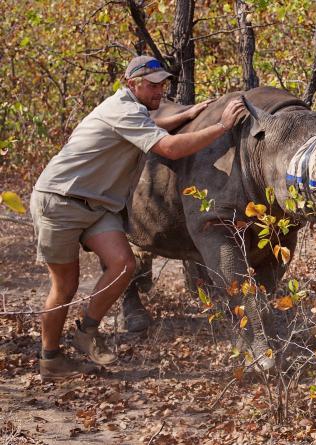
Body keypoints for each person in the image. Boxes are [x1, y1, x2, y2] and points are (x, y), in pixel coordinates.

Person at [30, 55, 245, 380]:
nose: (161, 90)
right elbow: (170, 148)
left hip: (97, 206)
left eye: (163, 84)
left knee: (123, 265)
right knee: (66, 285)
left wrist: (188, 114)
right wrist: (223, 125)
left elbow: (151, 127)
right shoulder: (123, 108)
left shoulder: (131, 110)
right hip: (59, 200)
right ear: (131, 84)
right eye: (153, 84)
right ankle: (51, 359)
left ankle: (86, 333)